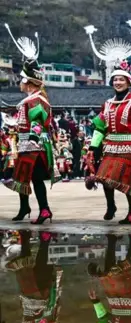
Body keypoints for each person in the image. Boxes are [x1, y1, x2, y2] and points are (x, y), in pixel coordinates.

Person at [85, 21, 131, 224]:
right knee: (104, 177)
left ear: (128, 82)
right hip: (111, 146)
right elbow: (100, 128)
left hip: (130, 146)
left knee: (124, 180)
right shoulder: (107, 104)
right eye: (115, 80)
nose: (118, 82)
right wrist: (92, 147)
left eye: (121, 80)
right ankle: (111, 205)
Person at [4, 26, 59, 224]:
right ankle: (25, 207)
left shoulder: (36, 100)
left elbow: (37, 121)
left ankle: (44, 209)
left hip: (34, 146)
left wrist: (33, 138)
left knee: (34, 178)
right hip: (26, 144)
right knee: (22, 178)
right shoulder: (31, 99)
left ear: (28, 82)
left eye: (21, 80)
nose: (20, 82)